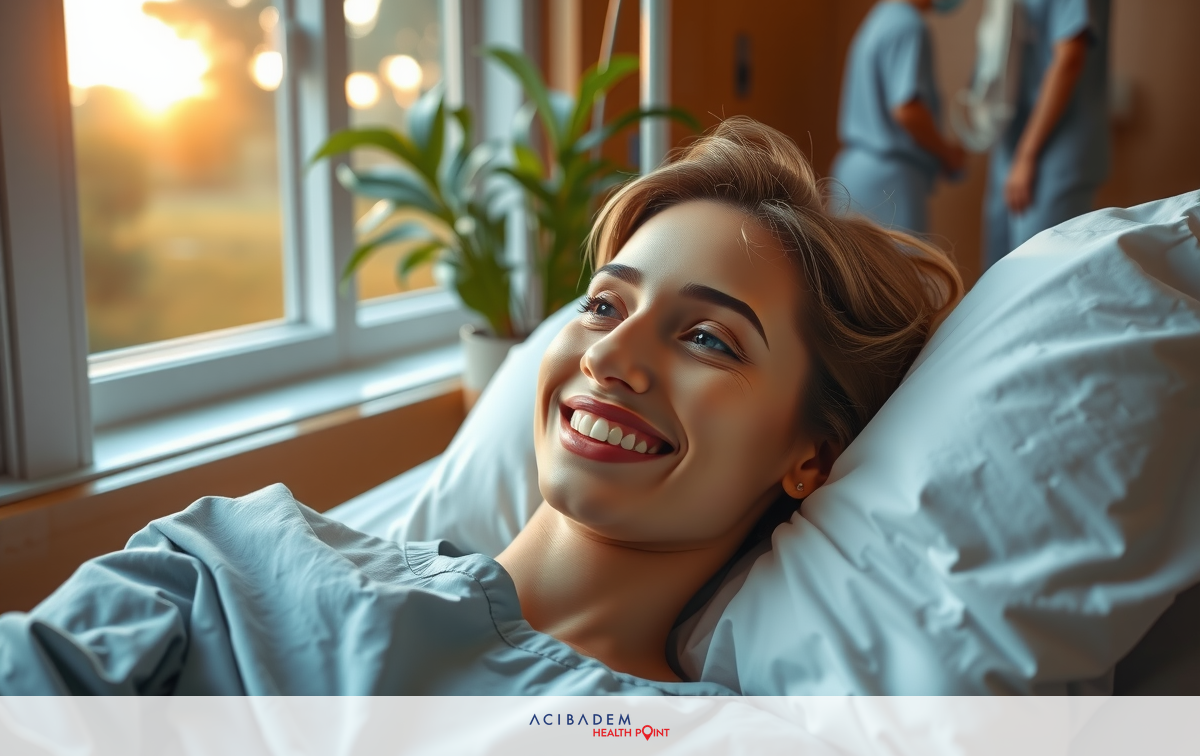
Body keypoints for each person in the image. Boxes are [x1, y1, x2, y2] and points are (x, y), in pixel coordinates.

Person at [0, 118, 962, 694]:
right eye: (602, 306)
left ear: (811, 454)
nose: (613, 357)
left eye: (708, 337)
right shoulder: (240, 560)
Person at [830, 0, 976, 234]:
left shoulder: (881, 15)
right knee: (902, 275)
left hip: (854, 175)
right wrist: (946, 153)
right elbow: (907, 110)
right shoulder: (908, 25)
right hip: (889, 183)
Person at [984, 0, 1111, 266]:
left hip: (1050, 152)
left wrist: (1027, 155)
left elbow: (1069, 58)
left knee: (1034, 277)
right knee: (997, 277)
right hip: (1016, 143)